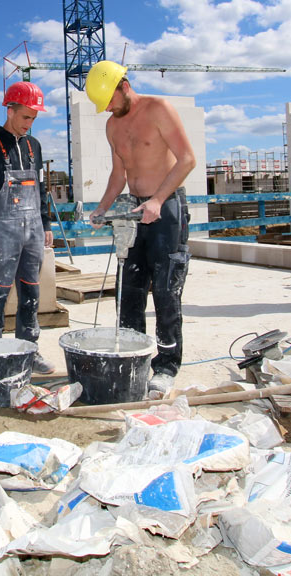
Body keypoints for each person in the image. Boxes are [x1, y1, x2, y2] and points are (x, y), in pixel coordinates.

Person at [84, 61, 196, 399]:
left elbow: (187, 159)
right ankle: (133, 356)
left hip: (167, 207)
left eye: (111, 101)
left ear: (123, 85)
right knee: (128, 288)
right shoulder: (112, 127)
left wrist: (159, 200)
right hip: (134, 209)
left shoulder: (158, 108)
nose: (110, 109)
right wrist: (103, 206)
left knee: (165, 290)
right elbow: (119, 173)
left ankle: (166, 366)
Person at [0, 81, 55, 374]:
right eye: (25, 117)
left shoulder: (35, 146)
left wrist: (45, 223)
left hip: (32, 229)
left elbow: (41, 188)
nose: (29, 125)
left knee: (31, 292)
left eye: (33, 119)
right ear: (10, 110)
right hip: (1, 230)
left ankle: (28, 350)